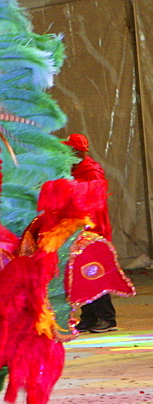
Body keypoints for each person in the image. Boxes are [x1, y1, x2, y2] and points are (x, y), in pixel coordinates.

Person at [64, 133, 118, 333]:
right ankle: (89, 316)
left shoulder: (91, 172)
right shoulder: (76, 171)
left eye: (69, 150)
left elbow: (93, 206)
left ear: (76, 152)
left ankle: (106, 318)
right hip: (79, 231)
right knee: (81, 275)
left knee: (96, 274)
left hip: (93, 232)